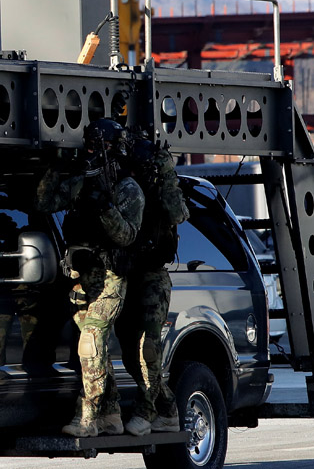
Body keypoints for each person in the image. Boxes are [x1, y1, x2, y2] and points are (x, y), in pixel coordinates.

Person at [35, 119, 145, 437]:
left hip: (111, 276)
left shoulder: (128, 189)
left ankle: (88, 417)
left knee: (91, 342)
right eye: (93, 145)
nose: (96, 152)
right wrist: (58, 167)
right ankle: (111, 412)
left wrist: (105, 206)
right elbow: (44, 203)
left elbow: (126, 235)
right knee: (94, 353)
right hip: (83, 278)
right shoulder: (85, 180)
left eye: (102, 146)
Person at [116, 132, 190, 436]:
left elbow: (180, 213)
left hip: (153, 276)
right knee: (131, 355)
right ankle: (169, 408)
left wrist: (167, 174)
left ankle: (146, 411)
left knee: (149, 347)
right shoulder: (126, 188)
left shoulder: (163, 189)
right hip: (128, 275)